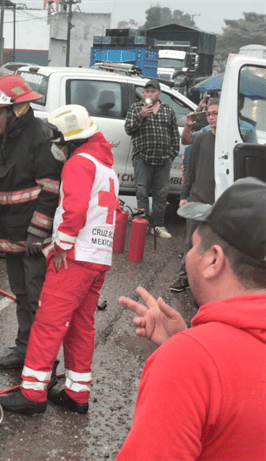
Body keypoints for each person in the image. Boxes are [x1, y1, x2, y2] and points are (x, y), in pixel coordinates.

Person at [117, 177, 266, 460]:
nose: (187, 255)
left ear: (213, 260)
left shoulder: (190, 363)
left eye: (193, 245)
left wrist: (192, 352)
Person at [0, 105, 119, 415]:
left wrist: (60, 246)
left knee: (48, 325)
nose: (55, 145)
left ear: (69, 139)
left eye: (57, 139)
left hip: (75, 258)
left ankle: (32, 394)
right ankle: (77, 393)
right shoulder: (106, 167)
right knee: (81, 326)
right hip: (98, 258)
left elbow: (75, 210)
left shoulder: (79, 163)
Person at [0, 75, 62, 370]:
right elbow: (1, 186)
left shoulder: (42, 136)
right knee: (21, 296)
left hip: (33, 237)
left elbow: (50, 189)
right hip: (11, 232)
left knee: (37, 299)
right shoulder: (0, 137)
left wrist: (38, 234)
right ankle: (25, 350)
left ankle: (41, 361)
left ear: (16, 109)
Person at [170, 99, 220, 292]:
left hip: (220, 199)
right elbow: (190, 170)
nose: (211, 117)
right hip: (199, 197)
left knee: (216, 244)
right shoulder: (201, 139)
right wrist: (185, 195)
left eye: (215, 113)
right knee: (191, 240)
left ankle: (208, 283)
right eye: (209, 114)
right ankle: (184, 278)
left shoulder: (230, 140)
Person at [124, 79, 179, 239]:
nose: (149, 94)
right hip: (142, 157)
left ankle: (159, 225)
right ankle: (143, 224)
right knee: (142, 192)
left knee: (161, 194)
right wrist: (141, 116)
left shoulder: (168, 110)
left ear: (159, 93)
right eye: (147, 91)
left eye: (153, 91)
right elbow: (128, 129)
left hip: (163, 159)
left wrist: (171, 154)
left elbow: (174, 134)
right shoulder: (136, 108)